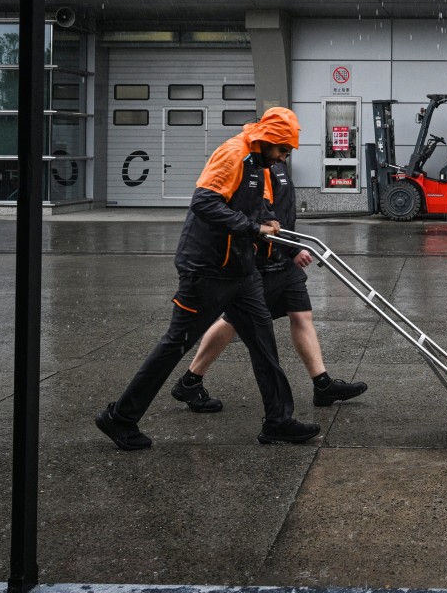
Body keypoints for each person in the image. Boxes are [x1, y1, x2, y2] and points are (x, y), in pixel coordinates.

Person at [95, 108, 319, 450]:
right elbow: (205, 202)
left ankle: (278, 421)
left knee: (263, 344)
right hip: (206, 270)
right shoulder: (234, 154)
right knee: (175, 344)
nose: (285, 156)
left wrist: (269, 221)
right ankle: (120, 418)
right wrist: (252, 228)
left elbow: (254, 205)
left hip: (240, 271)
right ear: (267, 141)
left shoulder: (259, 165)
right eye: (283, 149)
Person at [171, 118, 368, 412]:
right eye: (284, 149)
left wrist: (289, 248)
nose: (286, 155)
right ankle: (191, 379)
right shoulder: (256, 166)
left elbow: (276, 215)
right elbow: (255, 217)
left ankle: (322, 383)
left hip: (283, 258)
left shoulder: (277, 165)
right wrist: (287, 251)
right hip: (263, 261)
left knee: (301, 315)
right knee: (235, 322)